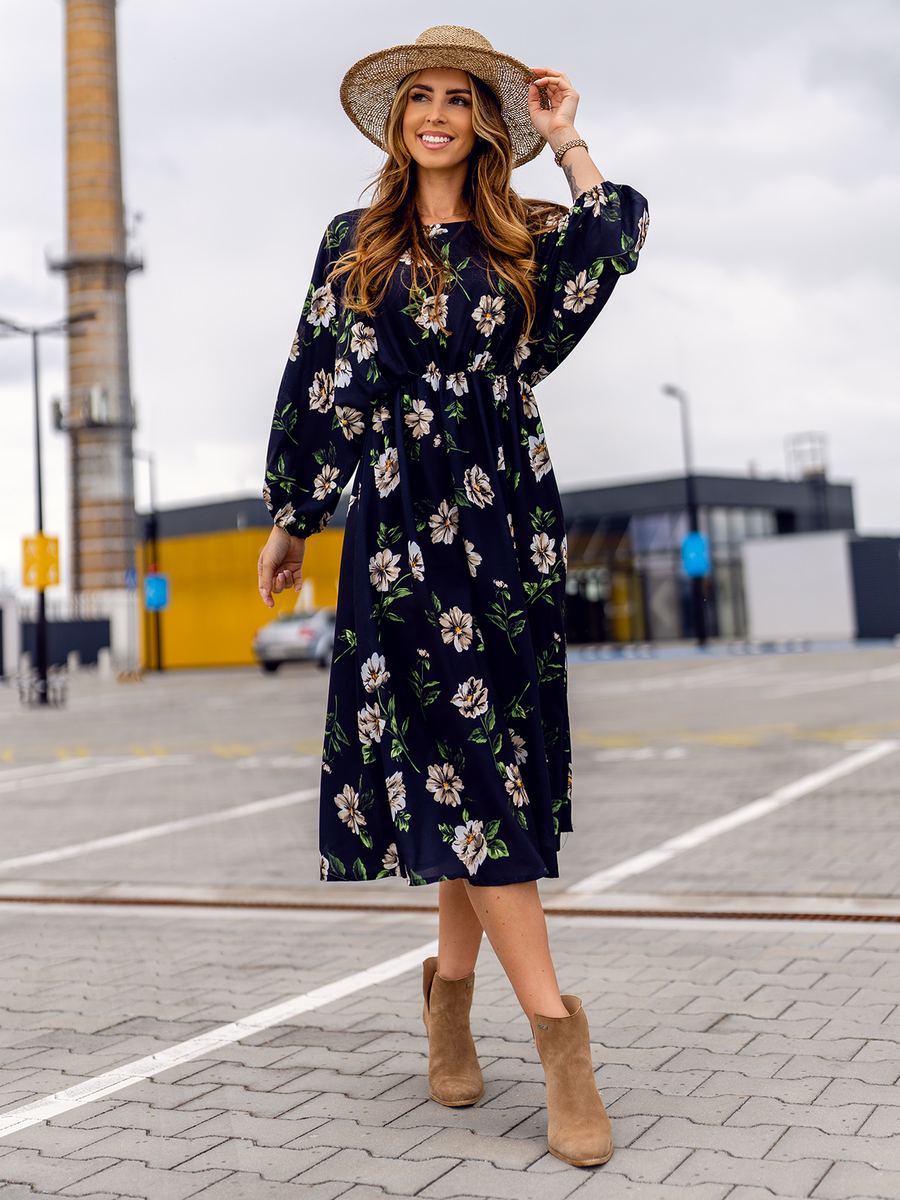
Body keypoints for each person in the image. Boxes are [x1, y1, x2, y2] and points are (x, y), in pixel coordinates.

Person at [258, 25, 648, 1168]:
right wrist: (293, 515)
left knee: (480, 767)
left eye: (459, 99)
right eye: (420, 97)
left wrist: (567, 139)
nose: (437, 113)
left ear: (484, 122)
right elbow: (317, 381)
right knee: (466, 765)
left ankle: (449, 1005)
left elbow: (618, 236)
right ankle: (561, 1041)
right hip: (397, 533)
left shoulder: (524, 235)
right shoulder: (355, 243)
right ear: (399, 119)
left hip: (504, 521)